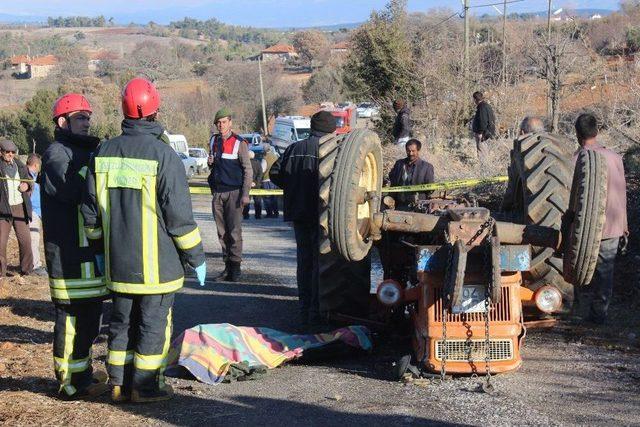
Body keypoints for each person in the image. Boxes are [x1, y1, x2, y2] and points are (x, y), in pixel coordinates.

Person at [81, 78, 206, 403]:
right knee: (153, 327)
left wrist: (98, 250)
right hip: (156, 270)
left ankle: (119, 384)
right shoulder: (165, 156)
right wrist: (197, 257)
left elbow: (90, 213)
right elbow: (179, 219)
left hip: (117, 265)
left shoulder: (104, 151)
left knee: (121, 324)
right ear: (155, 110)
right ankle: (146, 388)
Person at [39, 93, 108, 400]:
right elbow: (71, 192)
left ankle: (83, 373)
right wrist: (95, 171)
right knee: (69, 320)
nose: (87, 122)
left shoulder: (84, 151)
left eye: (88, 117)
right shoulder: (56, 154)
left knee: (90, 322)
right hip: (67, 255)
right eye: (81, 117)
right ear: (62, 121)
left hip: (88, 254)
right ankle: (67, 380)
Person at [270, 111, 336, 331]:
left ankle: (304, 311)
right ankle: (318, 313)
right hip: (321, 215)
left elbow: (275, 173)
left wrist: (292, 189)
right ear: (330, 130)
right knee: (321, 263)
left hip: (299, 213)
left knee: (304, 262)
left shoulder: (294, 148)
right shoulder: (331, 151)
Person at [571, 113, 628, 325]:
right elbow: (621, 194)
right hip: (612, 225)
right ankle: (599, 314)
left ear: (577, 134)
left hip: (581, 228)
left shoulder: (575, 159)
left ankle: (574, 307)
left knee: (574, 267)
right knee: (605, 271)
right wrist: (624, 226)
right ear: (598, 131)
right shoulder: (615, 158)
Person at [206, 108, 252, 282]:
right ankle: (227, 267)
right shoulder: (213, 141)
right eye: (218, 122)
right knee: (221, 233)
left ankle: (236, 268)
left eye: (224, 122)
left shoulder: (240, 143)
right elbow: (214, 164)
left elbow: (248, 170)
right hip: (218, 193)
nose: (221, 125)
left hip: (234, 193)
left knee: (234, 232)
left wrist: (245, 194)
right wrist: (210, 163)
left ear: (230, 122)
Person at [0, 139, 33, 281]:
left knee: (25, 240)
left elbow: (30, 181)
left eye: (13, 152)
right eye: (7, 152)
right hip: (3, 209)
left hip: (20, 207)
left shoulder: (20, 166)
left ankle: (26, 270)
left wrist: (27, 186)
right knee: (0, 242)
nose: (10, 154)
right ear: (1, 152)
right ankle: (1, 272)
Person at [501, 116, 545, 212]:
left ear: (522, 133)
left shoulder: (522, 152)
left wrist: (502, 211)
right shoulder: (552, 150)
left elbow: (510, 194)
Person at [388, 139, 435, 210]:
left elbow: (430, 188)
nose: (410, 153)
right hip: (399, 206)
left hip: (418, 208)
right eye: (408, 151)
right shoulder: (399, 164)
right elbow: (392, 180)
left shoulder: (427, 167)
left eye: (413, 151)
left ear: (418, 151)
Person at [26, 153, 47, 276]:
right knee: (34, 238)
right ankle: (35, 266)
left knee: (37, 238)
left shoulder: (35, 176)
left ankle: (36, 263)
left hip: (38, 211)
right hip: (32, 211)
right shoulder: (26, 176)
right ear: (36, 165)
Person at [471, 91, 496, 158]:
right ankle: (485, 167)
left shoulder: (481, 107)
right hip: (487, 133)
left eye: (473, 99)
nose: (473, 101)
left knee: (481, 152)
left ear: (475, 99)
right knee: (485, 152)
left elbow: (483, 121)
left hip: (483, 134)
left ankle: (482, 168)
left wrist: (481, 133)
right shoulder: (487, 106)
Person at [242, 150, 263, 220]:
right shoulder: (258, 163)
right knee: (257, 201)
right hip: (257, 185)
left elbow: (243, 174)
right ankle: (258, 215)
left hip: (247, 185)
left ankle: (245, 215)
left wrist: (249, 182)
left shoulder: (245, 163)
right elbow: (260, 174)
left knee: (246, 200)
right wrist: (256, 182)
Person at [261, 144, 279, 218]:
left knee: (267, 198)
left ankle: (269, 213)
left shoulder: (265, 158)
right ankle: (276, 212)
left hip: (266, 179)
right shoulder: (276, 157)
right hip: (275, 179)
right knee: (274, 197)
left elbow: (262, 169)